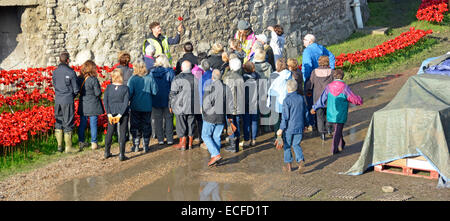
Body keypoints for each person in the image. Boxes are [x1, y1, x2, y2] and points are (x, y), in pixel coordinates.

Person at [311, 70, 363, 155]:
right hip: (341, 113)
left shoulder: (328, 87)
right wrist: (360, 100)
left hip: (331, 112)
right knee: (338, 129)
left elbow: (321, 100)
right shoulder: (345, 87)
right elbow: (352, 98)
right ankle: (334, 149)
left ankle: (342, 143)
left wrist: (314, 108)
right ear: (342, 77)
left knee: (337, 129)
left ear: (334, 77)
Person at [301, 34, 336, 132]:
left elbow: (306, 67)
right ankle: (327, 125)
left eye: (304, 40)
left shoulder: (307, 51)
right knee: (326, 101)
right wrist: (331, 69)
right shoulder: (320, 47)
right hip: (326, 77)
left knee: (312, 102)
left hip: (314, 78)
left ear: (310, 41)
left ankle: (313, 124)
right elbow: (331, 56)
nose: (303, 41)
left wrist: (307, 82)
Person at [202, 69, 233, 166]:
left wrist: (204, 113)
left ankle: (215, 154)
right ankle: (216, 157)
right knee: (216, 137)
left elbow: (206, 104)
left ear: (212, 77)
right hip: (221, 116)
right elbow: (230, 104)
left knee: (205, 136)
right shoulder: (226, 88)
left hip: (210, 117)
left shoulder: (210, 87)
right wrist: (229, 116)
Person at [276, 80, 307, 173]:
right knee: (296, 144)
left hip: (289, 128)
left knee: (287, 146)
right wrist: (306, 124)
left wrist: (281, 129)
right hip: (299, 125)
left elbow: (285, 117)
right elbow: (305, 113)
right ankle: (300, 161)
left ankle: (289, 167)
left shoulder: (286, 100)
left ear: (287, 88)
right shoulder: (301, 98)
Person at [128, 61, 158, 153]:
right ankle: (146, 145)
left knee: (135, 126)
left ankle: (136, 145)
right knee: (146, 125)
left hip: (135, 106)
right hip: (147, 105)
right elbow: (155, 91)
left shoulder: (132, 79)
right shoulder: (150, 78)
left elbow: (129, 93)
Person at [53, 52, 79, 153]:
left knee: (58, 121)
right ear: (68, 60)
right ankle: (68, 147)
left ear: (60, 60)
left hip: (58, 100)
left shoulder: (55, 72)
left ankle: (59, 146)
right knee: (68, 121)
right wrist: (71, 97)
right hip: (67, 99)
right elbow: (76, 89)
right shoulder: (71, 72)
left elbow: (54, 85)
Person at [77, 60, 104, 151]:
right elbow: (97, 93)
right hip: (93, 104)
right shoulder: (93, 79)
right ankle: (94, 143)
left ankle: (81, 141)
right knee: (93, 124)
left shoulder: (79, 79)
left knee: (82, 124)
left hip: (83, 104)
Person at [103, 68, 130, 161]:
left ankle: (106, 152)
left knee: (109, 132)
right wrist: (120, 114)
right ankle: (122, 154)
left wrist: (108, 113)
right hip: (123, 113)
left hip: (111, 112)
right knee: (122, 133)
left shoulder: (108, 87)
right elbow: (126, 103)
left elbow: (105, 101)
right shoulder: (125, 88)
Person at [306, 56, 334, 140]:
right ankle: (329, 129)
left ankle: (322, 133)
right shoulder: (332, 72)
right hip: (329, 96)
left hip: (318, 97)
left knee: (319, 116)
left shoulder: (314, 72)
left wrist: (308, 91)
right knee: (329, 114)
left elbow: (310, 85)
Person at [170, 60, 196, 150]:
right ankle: (190, 143)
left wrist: (170, 105)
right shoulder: (195, 78)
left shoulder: (177, 78)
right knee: (191, 123)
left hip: (180, 105)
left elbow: (173, 93)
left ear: (181, 68)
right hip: (192, 105)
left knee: (181, 125)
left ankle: (183, 143)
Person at [151, 55, 175, 145]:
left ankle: (160, 139)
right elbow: (173, 85)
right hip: (167, 97)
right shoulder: (170, 71)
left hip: (156, 97)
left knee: (158, 119)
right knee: (168, 118)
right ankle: (169, 139)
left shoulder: (152, 72)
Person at [222, 58, 245, 153]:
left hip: (230, 104)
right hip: (239, 104)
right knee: (237, 123)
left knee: (230, 124)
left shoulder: (227, 77)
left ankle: (232, 145)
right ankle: (237, 143)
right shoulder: (240, 77)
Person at [267, 58, 292, 136]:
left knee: (276, 120)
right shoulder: (289, 74)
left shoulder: (273, 75)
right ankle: (286, 135)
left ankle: (277, 136)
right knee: (285, 118)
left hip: (276, 99)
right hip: (285, 98)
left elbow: (269, 87)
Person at [242, 61, 260, 147]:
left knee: (246, 121)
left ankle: (246, 139)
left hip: (246, 102)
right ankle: (254, 139)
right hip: (255, 101)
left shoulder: (243, 77)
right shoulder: (257, 76)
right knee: (254, 121)